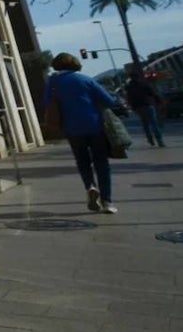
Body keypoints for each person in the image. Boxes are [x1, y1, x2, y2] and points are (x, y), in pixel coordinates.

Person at [43, 52, 123, 214]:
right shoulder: (85, 79)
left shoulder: (53, 83)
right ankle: (107, 201)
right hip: (95, 126)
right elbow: (108, 100)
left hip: (72, 129)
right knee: (101, 163)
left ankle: (90, 186)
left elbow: (46, 102)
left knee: (82, 161)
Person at [125, 71, 166, 147]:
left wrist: (133, 107)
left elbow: (129, 98)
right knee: (154, 123)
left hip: (139, 108)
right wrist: (159, 101)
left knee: (145, 124)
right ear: (138, 77)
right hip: (148, 105)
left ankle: (150, 139)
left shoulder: (129, 87)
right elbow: (153, 93)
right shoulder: (143, 84)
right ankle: (160, 140)